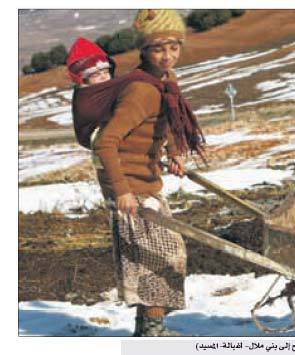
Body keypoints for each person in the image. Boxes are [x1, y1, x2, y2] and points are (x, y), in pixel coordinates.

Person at [91, 9, 205, 337]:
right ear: (144, 51)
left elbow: (164, 120)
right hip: (130, 187)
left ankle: (148, 332)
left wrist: (174, 152)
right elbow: (106, 143)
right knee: (162, 260)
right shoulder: (141, 90)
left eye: (174, 47)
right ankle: (152, 335)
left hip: (146, 183)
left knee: (153, 263)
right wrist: (122, 191)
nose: (167, 55)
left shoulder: (165, 82)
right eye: (158, 48)